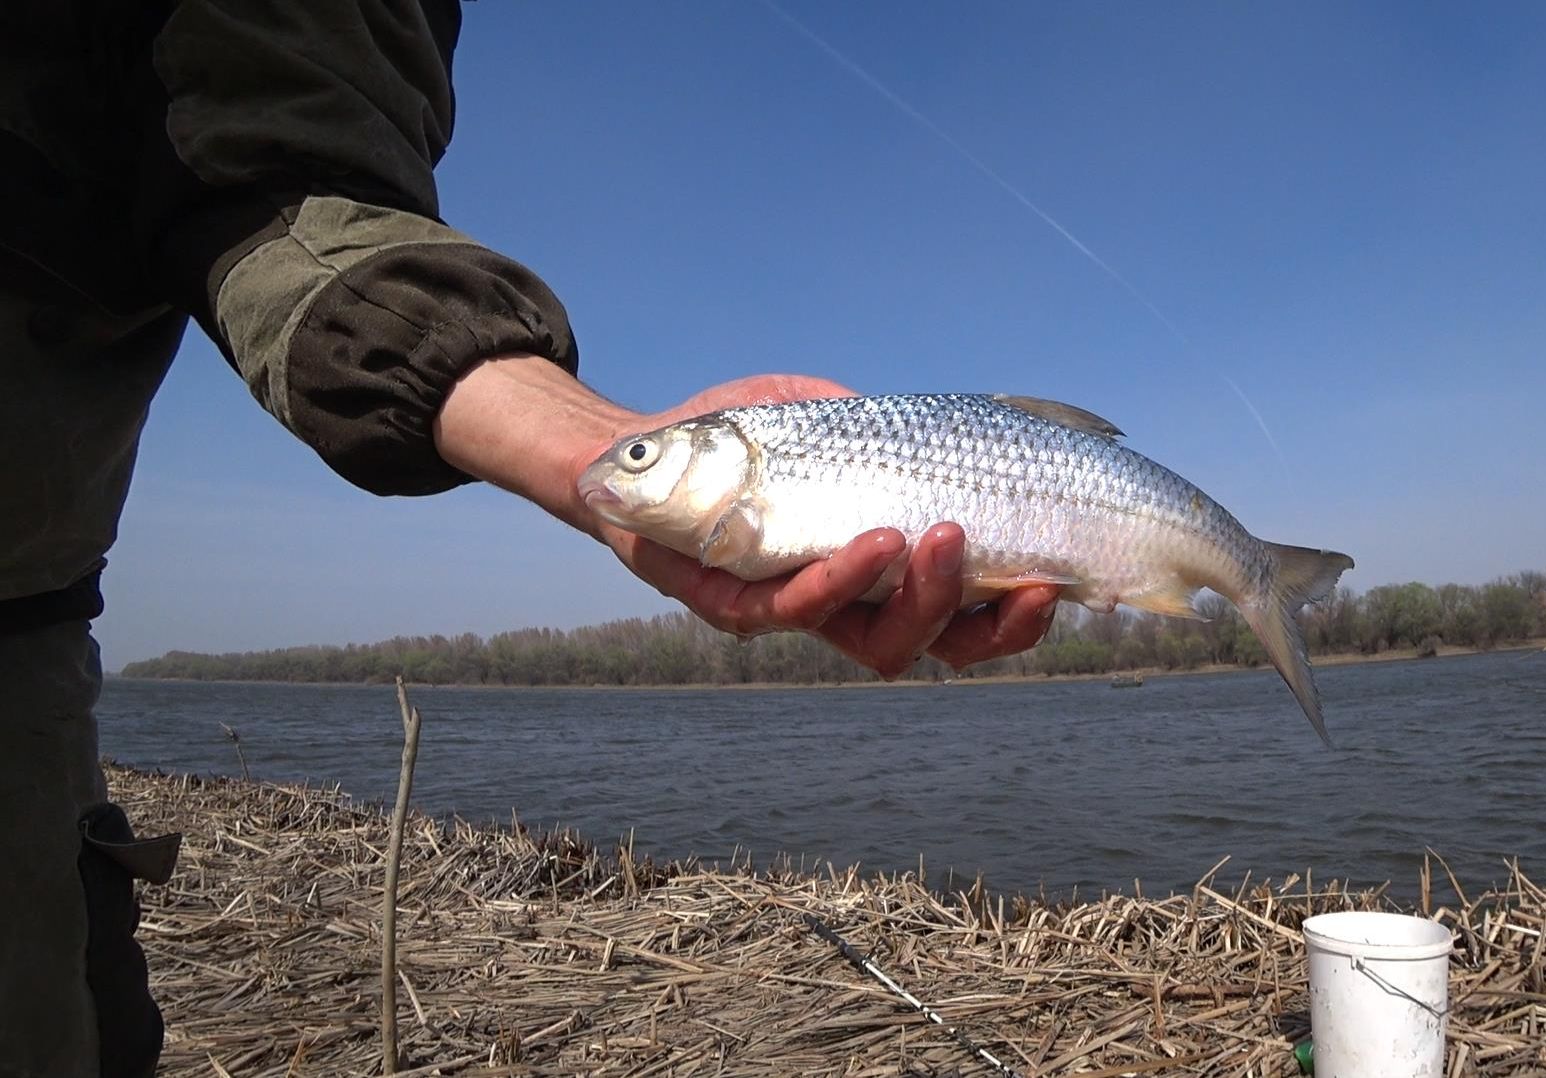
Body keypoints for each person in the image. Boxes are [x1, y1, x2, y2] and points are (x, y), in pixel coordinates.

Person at [0, 4, 1060, 1075]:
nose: (625, 474)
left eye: (645, 463)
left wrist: (583, 444)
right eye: (639, 463)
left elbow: (290, 180)